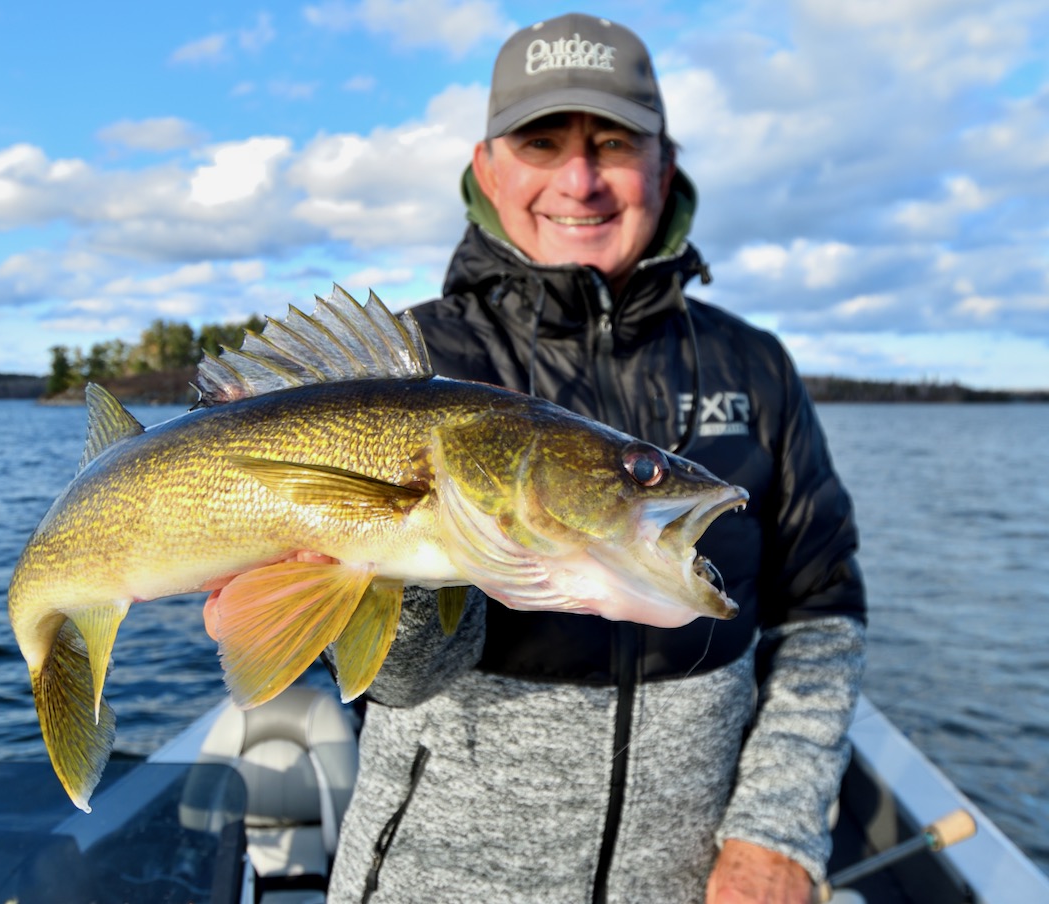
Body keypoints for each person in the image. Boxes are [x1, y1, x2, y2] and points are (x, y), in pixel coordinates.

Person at [324, 13, 867, 904]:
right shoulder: (405, 366)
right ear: (487, 167)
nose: (579, 181)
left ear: (666, 162)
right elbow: (396, 682)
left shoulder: (757, 366)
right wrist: (366, 570)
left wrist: (775, 833)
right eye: (542, 143)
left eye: (613, 143)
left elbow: (821, 613)